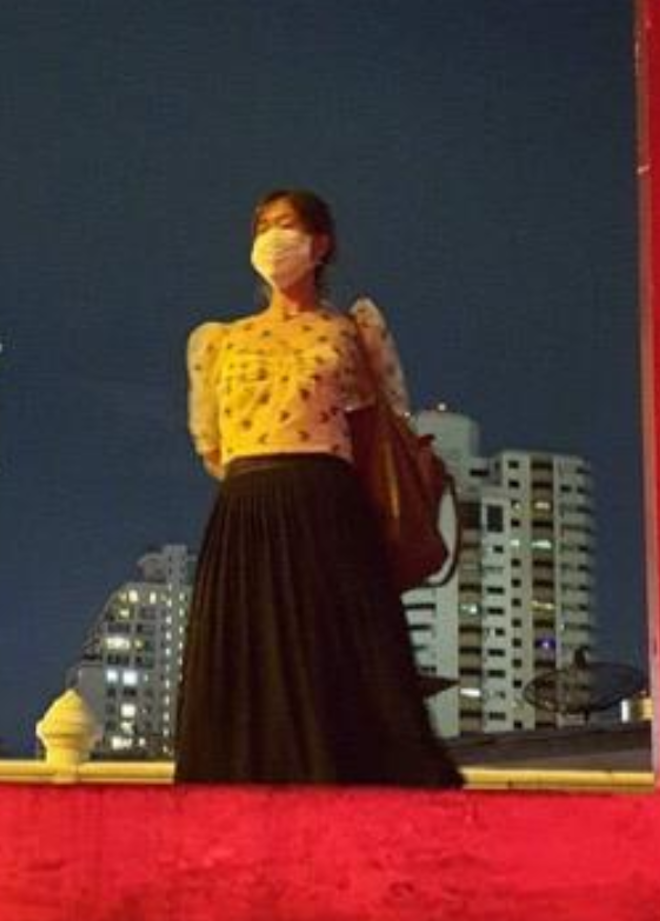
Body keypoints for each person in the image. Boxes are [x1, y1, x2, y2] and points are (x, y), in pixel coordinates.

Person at [171, 189, 465, 788]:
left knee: (335, 659)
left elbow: (380, 429)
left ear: (320, 243)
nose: (273, 239)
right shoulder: (219, 341)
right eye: (263, 227)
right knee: (250, 660)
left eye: (287, 225)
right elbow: (211, 446)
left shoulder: (350, 331)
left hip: (327, 505)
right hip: (247, 506)